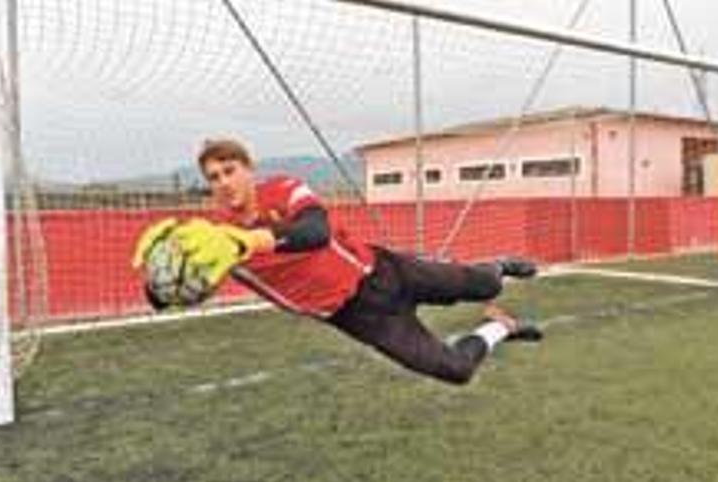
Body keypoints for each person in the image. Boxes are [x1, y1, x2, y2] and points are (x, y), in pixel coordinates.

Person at [141, 138, 541, 385]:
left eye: (230, 170)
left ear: (249, 170)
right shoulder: (214, 240)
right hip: (356, 316)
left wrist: (248, 240)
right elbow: (163, 295)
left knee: (486, 285)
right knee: (456, 370)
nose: (223, 182)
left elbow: (315, 232)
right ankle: (499, 328)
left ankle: (498, 264)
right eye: (213, 177)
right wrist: (161, 267)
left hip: (385, 271)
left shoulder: (282, 189)